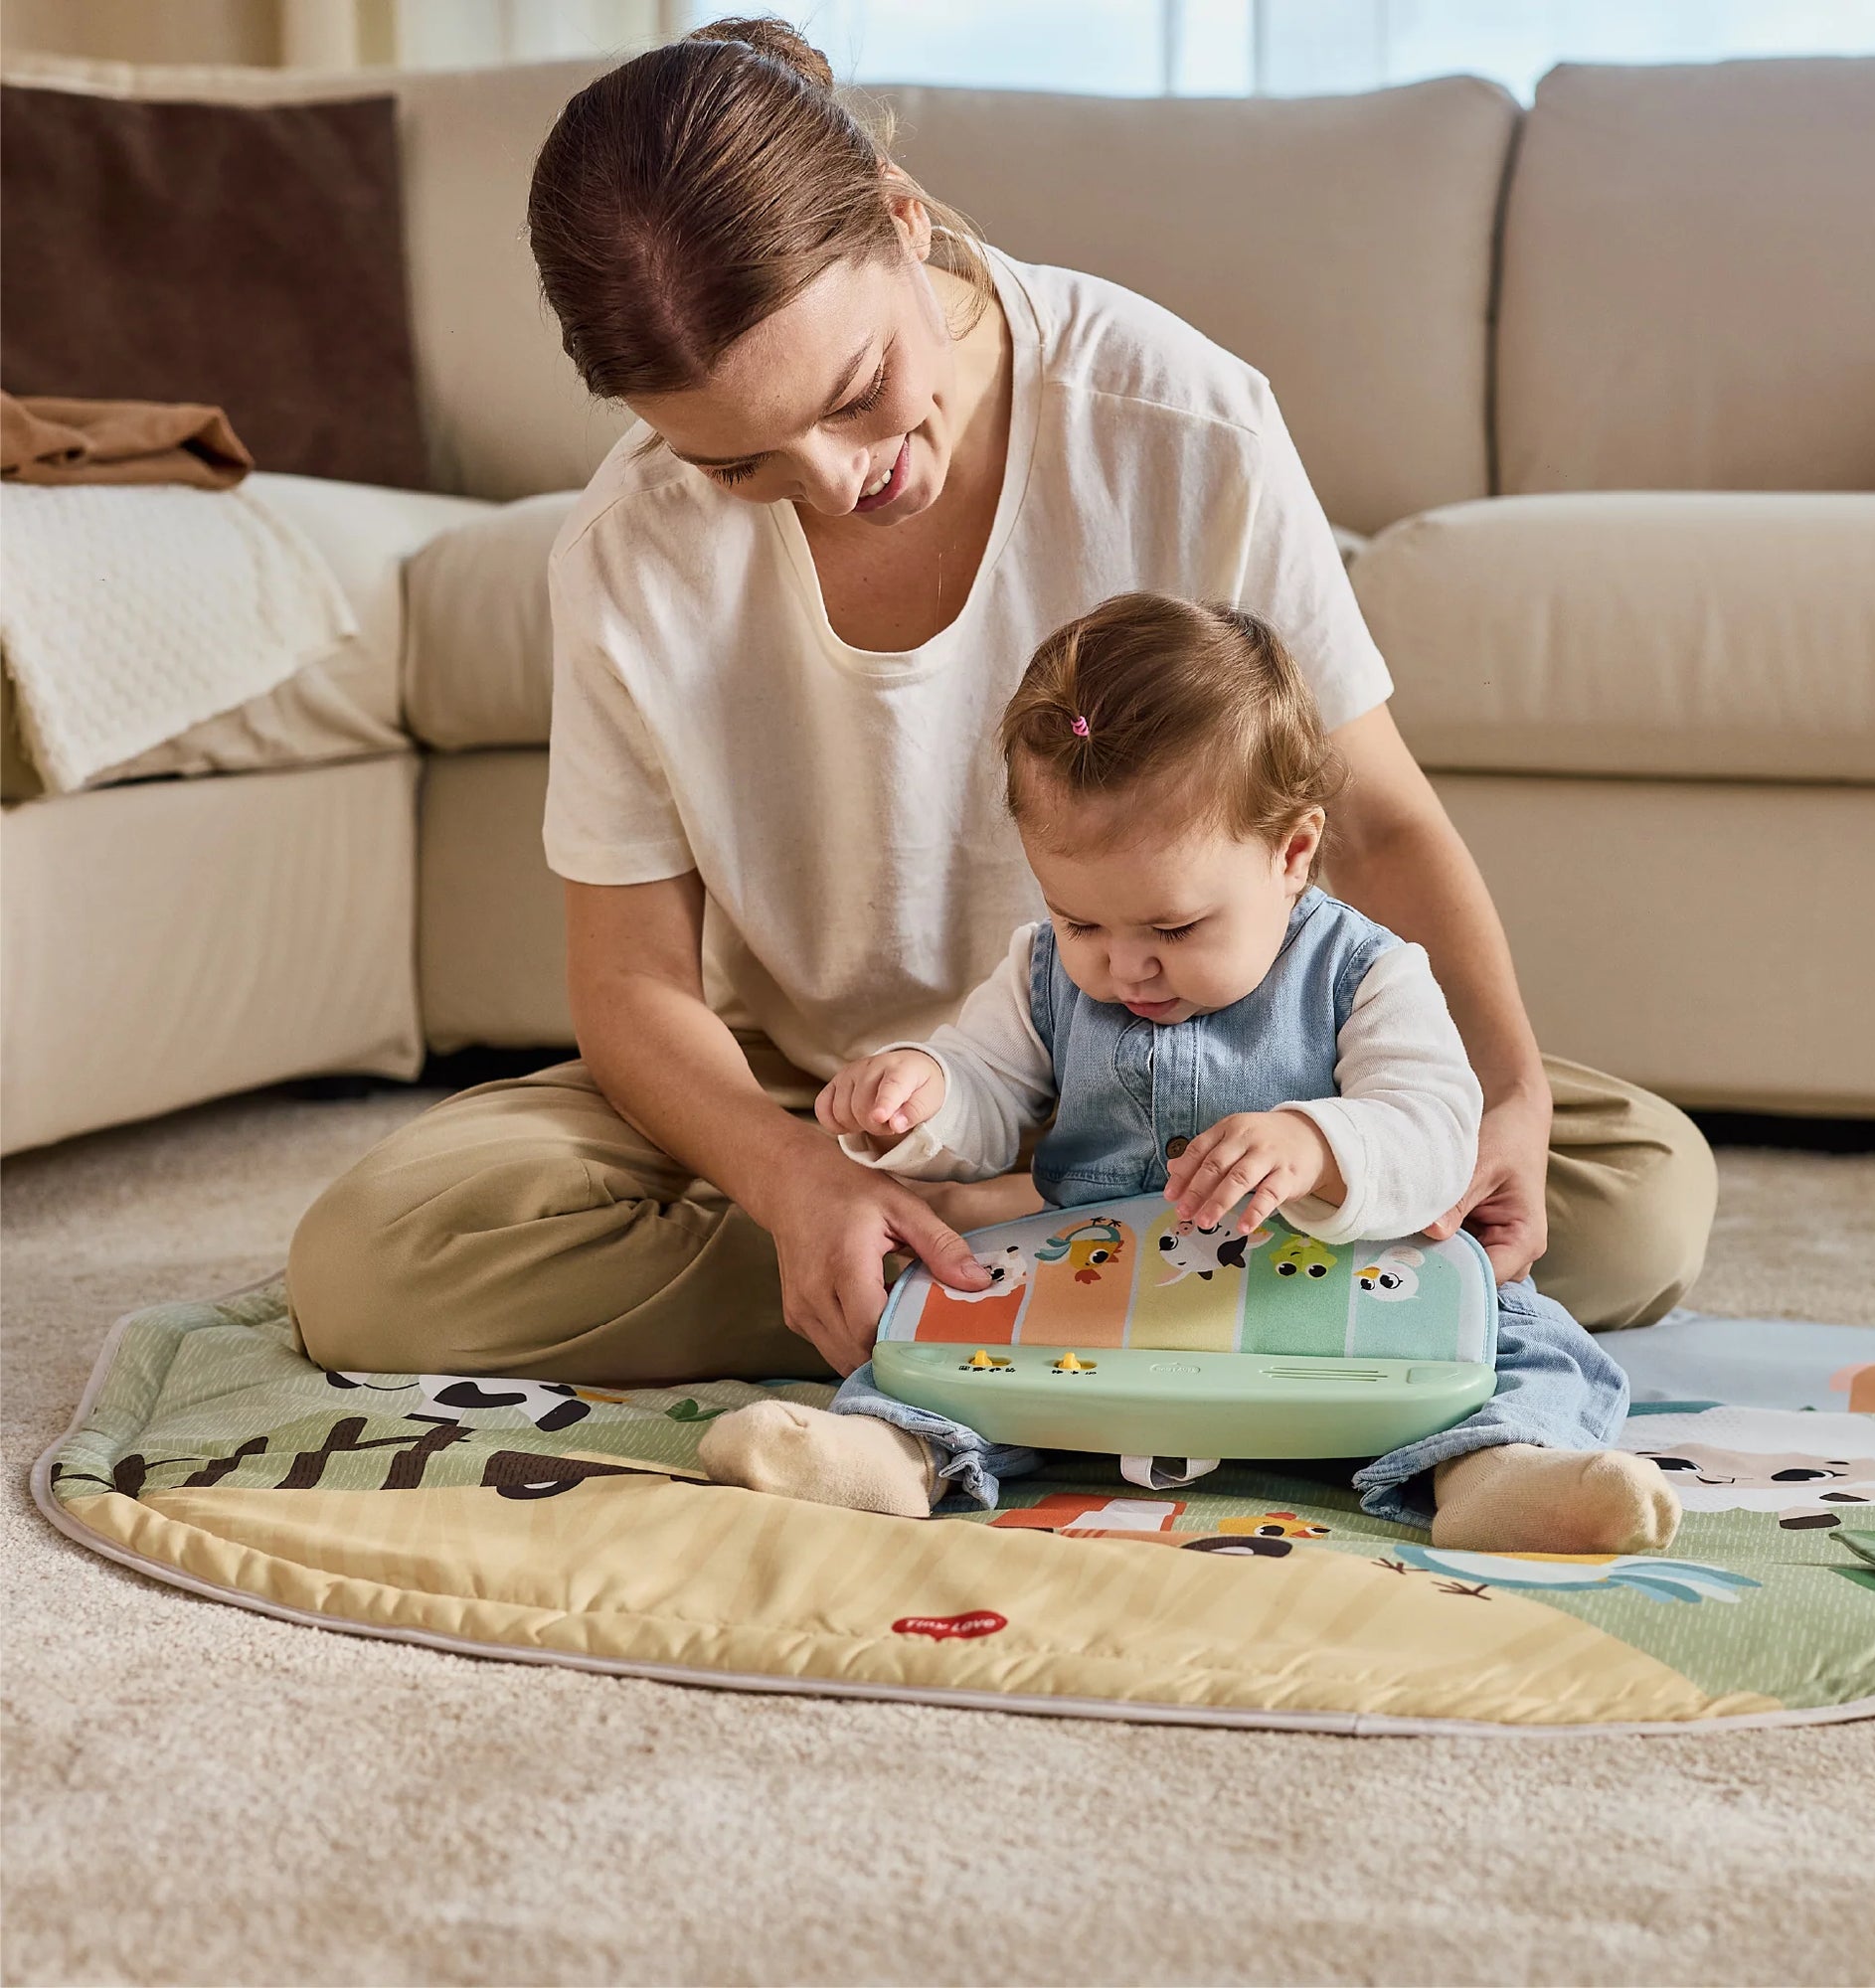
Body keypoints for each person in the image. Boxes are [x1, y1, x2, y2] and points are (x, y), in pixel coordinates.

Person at [284, 18, 1716, 1389]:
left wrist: (1510, 1096)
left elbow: (1375, 825)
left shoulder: (1181, 422)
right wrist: (794, 1177)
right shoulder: (626, 550)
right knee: (377, 1262)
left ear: (901, 218)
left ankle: (980, 1278)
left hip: (1225, 1086)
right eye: (742, 465)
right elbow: (631, 982)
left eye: (856, 393)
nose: (841, 483)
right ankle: (1066, 1272)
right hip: (827, 1097)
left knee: (1636, 1193)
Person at [699, 595, 1681, 1555]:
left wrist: (1315, 1143)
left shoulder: (1364, 971)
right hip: (1095, 1300)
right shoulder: (1041, 970)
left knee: (1522, 1334)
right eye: (1080, 919)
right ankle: (885, 1451)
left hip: (1334, 1293)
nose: (1123, 965)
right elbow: (984, 1084)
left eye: (1171, 927)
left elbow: (1430, 1130)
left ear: (1291, 852)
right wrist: (917, 1095)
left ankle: (1500, 1468)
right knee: (937, 1323)